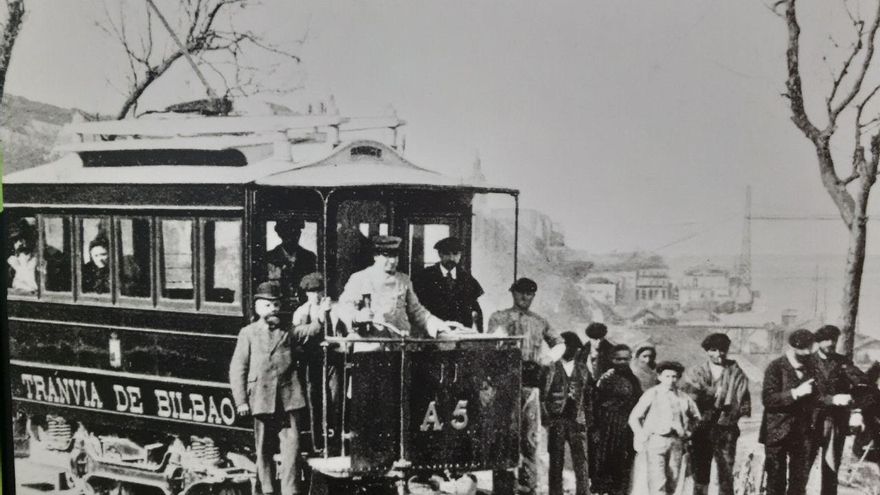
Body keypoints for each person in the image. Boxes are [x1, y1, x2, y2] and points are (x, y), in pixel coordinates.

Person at [488, 277, 565, 494]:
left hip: (530, 382)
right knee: (503, 436)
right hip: (504, 382)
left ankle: (527, 487)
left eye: (530, 293)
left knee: (530, 438)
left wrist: (549, 358)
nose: (525, 297)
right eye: (521, 292)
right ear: (513, 293)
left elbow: (559, 343)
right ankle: (502, 488)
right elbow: (494, 344)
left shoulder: (540, 321)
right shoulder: (499, 317)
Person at [229, 282, 306, 495]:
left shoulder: (287, 332)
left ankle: (291, 491)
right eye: (267, 305)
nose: (272, 309)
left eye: (276, 304)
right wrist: (241, 401)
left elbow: (307, 334)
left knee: (292, 450)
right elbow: (238, 368)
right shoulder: (248, 333)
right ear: (257, 308)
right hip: (261, 398)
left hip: (289, 398)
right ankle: (268, 490)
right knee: (263, 449)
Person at [679, 333, 751, 495]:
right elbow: (687, 399)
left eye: (723, 350)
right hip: (701, 428)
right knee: (700, 471)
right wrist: (711, 393)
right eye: (713, 350)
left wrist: (730, 414)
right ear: (707, 351)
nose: (718, 354)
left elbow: (743, 402)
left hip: (726, 429)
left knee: (726, 471)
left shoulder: (737, 373)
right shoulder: (696, 372)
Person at [338, 235, 449, 338]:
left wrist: (438, 325)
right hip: (371, 343)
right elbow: (343, 307)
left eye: (395, 255)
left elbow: (417, 311)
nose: (392, 261)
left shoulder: (404, 280)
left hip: (400, 343)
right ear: (376, 256)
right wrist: (357, 317)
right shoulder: (360, 278)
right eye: (386, 256)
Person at [760, 329, 825, 495]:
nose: (808, 356)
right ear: (793, 349)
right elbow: (768, 399)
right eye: (803, 353)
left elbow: (819, 397)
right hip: (777, 433)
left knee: (799, 483)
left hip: (803, 434)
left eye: (810, 352)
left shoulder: (813, 367)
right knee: (775, 482)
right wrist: (795, 393)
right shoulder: (775, 367)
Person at [629, 361, 701, 495]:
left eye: (674, 377)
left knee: (673, 480)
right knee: (657, 481)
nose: (671, 380)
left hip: (677, 442)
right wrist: (642, 435)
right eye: (667, 376)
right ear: (660, 377)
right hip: (657, 441)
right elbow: (634, 417)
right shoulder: (652, 394)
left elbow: (697, 418)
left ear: (679, 378)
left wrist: (688, 432)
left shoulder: (683, 397)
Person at [811, 325, 866, 495]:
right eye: (826, 339)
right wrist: (831, 399)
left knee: (831, 467)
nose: (831, 343)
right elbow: (804, 396)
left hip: (834, 421)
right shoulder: (807, 363)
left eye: (834, 339)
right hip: (809, 422)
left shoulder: (843, 362)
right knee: (802, 467)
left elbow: (861, 385)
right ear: (818, 341)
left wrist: (857, 411)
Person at [291, 273, 337, 454]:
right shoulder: (301, 312)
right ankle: (316, 442)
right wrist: (320, 316)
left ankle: (334, 439)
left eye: (319, 291)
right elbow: (299, 334)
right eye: (312, 292)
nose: (316, 296)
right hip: (312, 361)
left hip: (332, 359)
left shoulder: (334, 308)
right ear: (306, 294)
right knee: (314, 399)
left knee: (335, 397)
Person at [541, 331, 591, 495]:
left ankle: (583, 492)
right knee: (556, 460)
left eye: (573, 347)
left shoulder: (583, 369)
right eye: (566, 347)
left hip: (577, 420)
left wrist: (588, 418)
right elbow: (542, 395)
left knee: (582, 461)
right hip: (557, 420)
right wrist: (546, 416)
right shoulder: (550, 367)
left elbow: (588, 395)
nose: (569, 350)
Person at [591, 344, 642, 495]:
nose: (622, 362)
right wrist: (596, 427)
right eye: (618, 359)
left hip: (627, 426)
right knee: (605, 460)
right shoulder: (605, 379)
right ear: (612, 359)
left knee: (624, 461)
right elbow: (595, 404)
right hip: (607, 426)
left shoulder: (633, 379)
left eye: (625, 359)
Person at [412, 236, 485, 331]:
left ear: (460, 255)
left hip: (461, 333)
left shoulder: (467, 279)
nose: (451, 258)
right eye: (447, 254)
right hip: (434, 333)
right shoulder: (424, 277)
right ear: (440, 254)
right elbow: (416, 309)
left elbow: (476, 310)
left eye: (455, 254)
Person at [267, 218, 318, 312]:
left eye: (296, 232)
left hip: (305, 311)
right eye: (287, 232)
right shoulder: (269, 258)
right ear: (280, 234)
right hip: (276, 310)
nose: (293, 236)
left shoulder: (310, 258)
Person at [7, 219, 37, 294]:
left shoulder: (35, 257)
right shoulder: (13, 258)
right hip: (17, 291)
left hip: (32, 292)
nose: (19, 242)